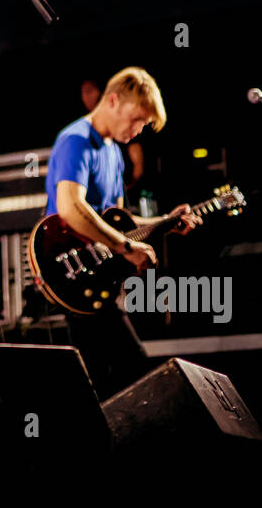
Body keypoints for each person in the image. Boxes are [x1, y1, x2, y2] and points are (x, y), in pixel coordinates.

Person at [44, 67, 201, 398]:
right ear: (113, 100)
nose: (138, 129)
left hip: (98, 274)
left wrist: (166, 222)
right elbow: (71, 207)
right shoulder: (76, 140)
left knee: (110, 381)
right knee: (132, 374)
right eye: (136, 119)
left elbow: (119, 222)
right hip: (72, 272)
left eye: (144, 124)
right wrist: (125, 246)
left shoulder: (113, 153)